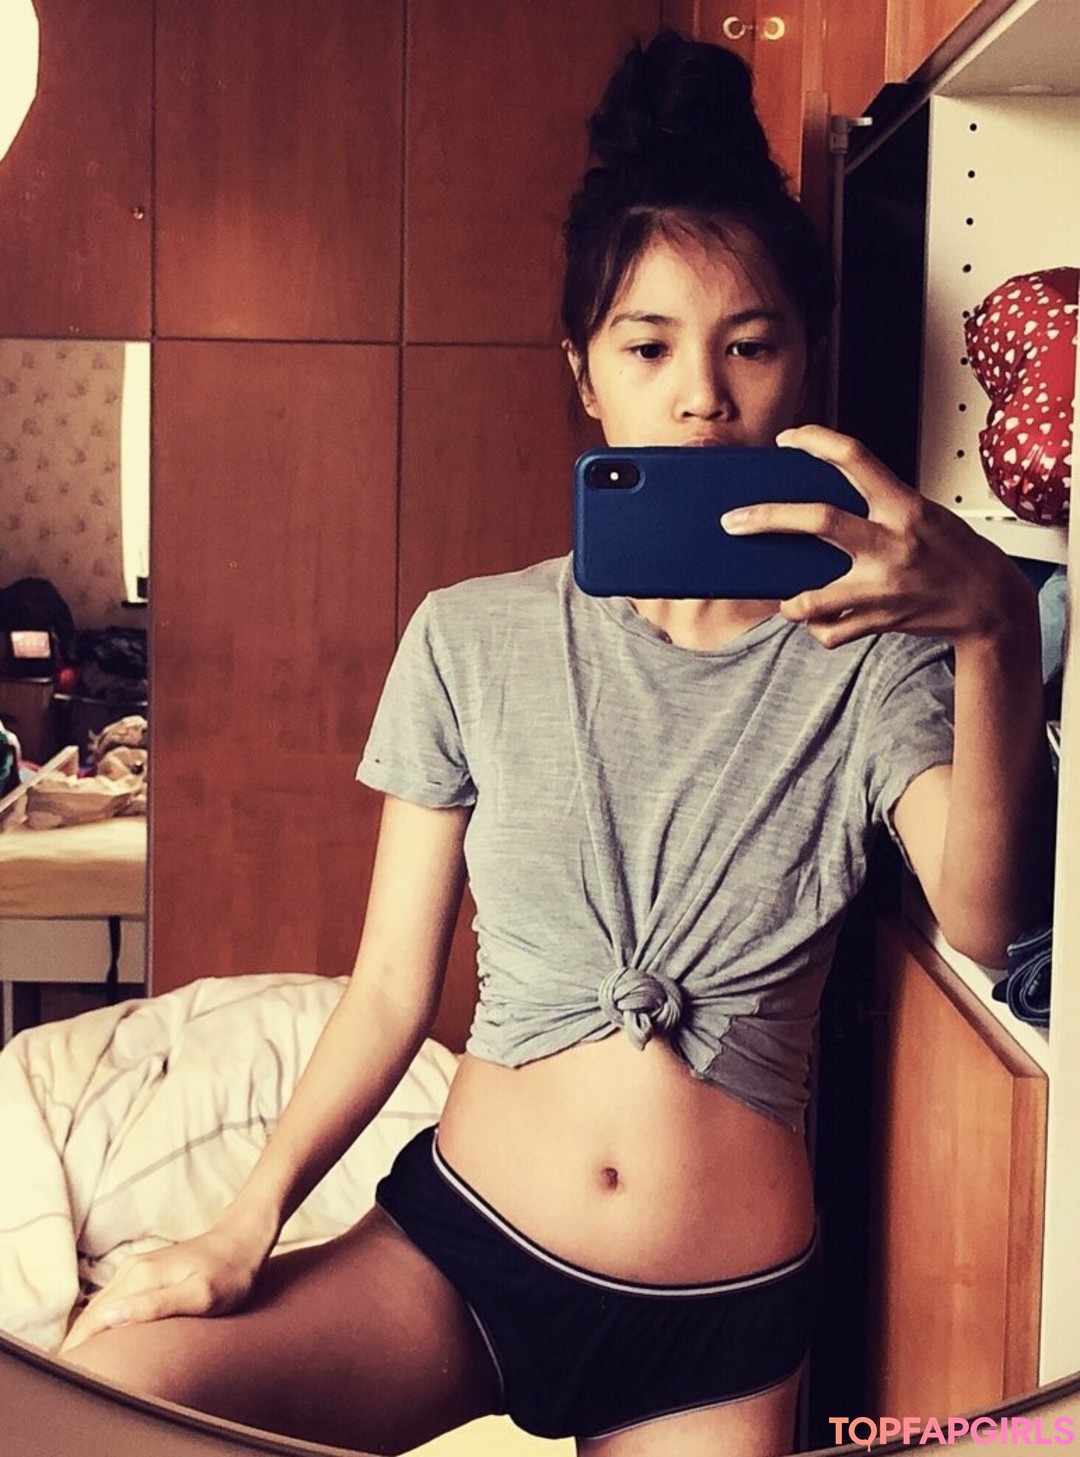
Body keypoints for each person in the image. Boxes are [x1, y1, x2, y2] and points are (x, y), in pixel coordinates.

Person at [61, 31, 1052, 1457]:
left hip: (716, 1325)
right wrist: (243, 1222)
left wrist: (997, 627)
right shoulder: (469, 635)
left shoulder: (877, 649)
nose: (701, 394)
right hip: (465, 1259)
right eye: (648, 347)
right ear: (585, 375)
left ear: (804, 364)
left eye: (751, 344)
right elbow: (389, 988)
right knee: (107, 1400)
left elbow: (986, 915)